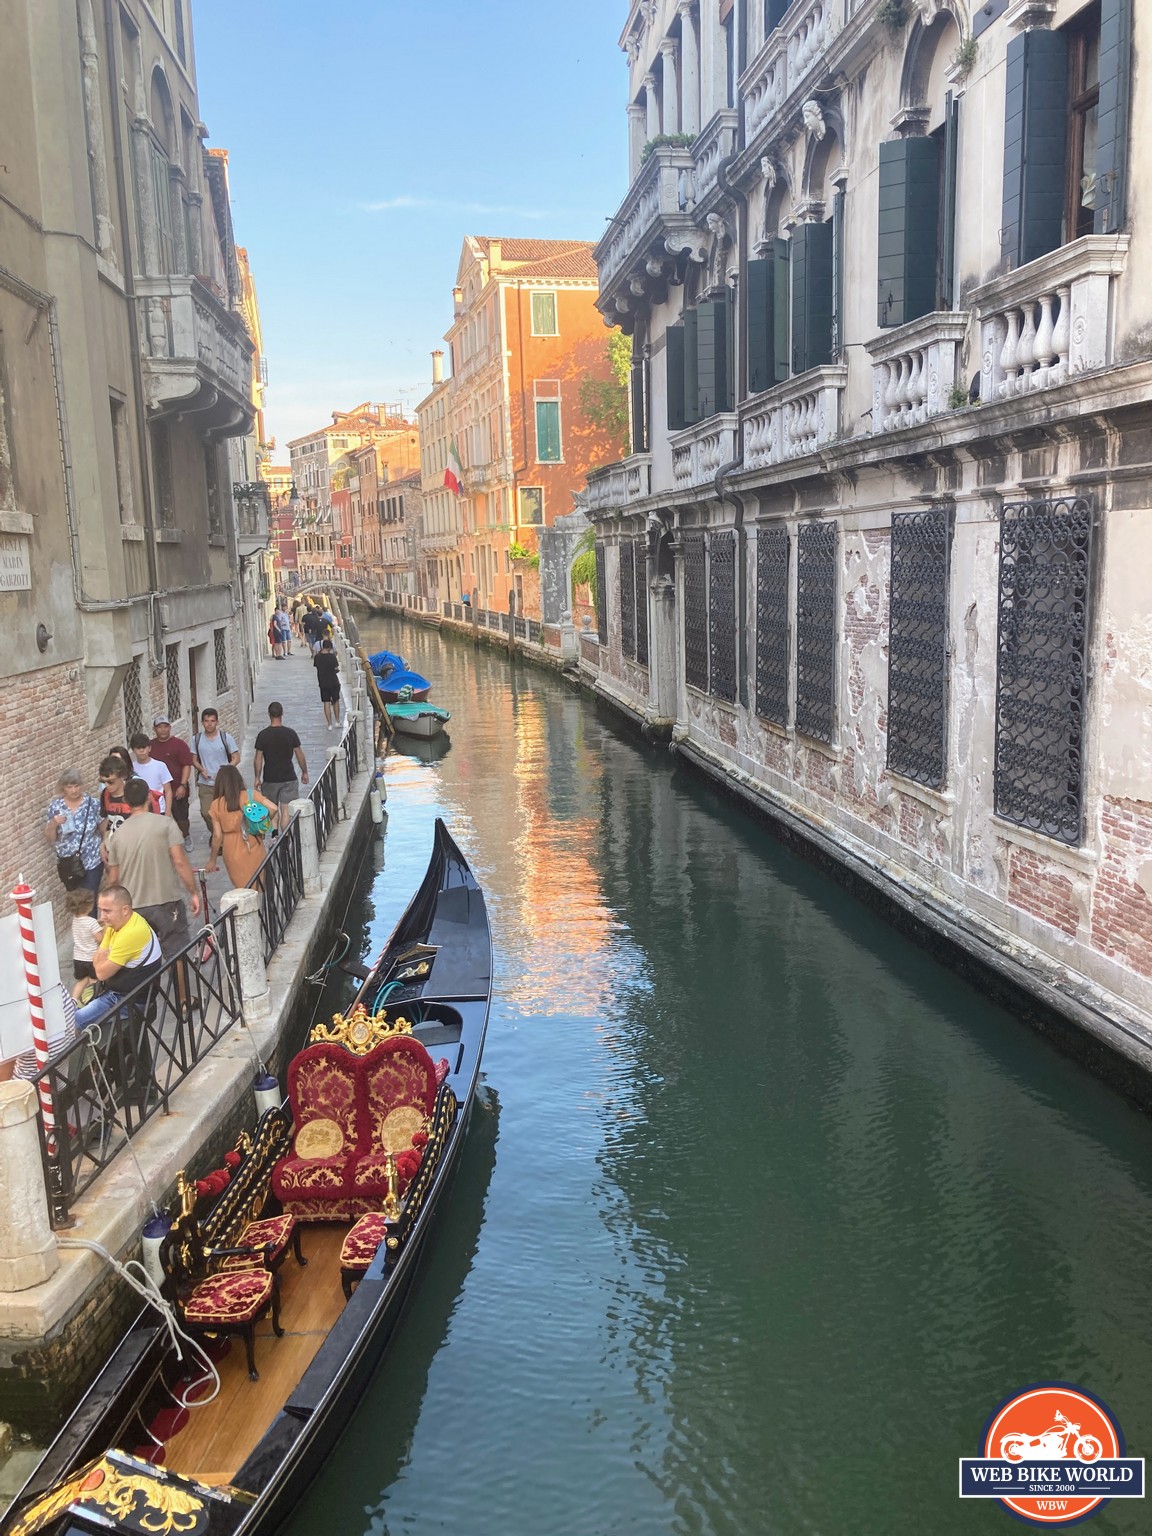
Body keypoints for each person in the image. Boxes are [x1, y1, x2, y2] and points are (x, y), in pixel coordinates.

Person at [105, 778, 201, 958]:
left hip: (134, 906)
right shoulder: (165, 825)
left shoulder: (117, 836)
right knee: (177, 954)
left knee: (143, 957)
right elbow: (180, 861)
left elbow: (113, 878)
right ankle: (181, 987)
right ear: (149, 797)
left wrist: (110, 908)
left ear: (126, 802)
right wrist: (193, 892)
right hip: (166, 901)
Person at [73, 885, 163, 1031]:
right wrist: (102, 957)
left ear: (125, 910)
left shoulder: (130, 934)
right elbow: (98, 958)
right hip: (121, 993)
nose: (102, 917)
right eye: (100, 909)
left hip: (129, 1001)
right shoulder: (117, 924)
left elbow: (100, 974)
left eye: (107, 911)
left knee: (73, 1023)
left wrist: (102, 957)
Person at [205, 765, 278, 889]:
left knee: (242, 888)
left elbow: (217, 836)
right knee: (259, 885)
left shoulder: (216, 805)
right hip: (253, 843)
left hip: (232, 849)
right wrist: (261, 823)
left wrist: (212, 860)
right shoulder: (250, 795)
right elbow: (274, 808)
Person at [43, 769, 103, 902]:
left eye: (76, 786)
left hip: (91, 860)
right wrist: (54, 823)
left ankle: (90, 923)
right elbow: (50, 838)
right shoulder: (56, 806)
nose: (74, 790)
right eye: (69, 787)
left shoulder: (92, 804)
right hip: (68, 863)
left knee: (90, 901)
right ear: (63, 788)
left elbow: (103, 828)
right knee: (76, 903)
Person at [253, 701, 309, 829]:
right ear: (282, 714)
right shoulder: (290, 734)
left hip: (270, 778)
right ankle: (286, 837)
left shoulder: (263, 735)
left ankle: (274, 838)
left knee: (273, 810)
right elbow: (299, 755)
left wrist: (257, 777)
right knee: (285, 810)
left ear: (269, 715)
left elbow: (258, 759)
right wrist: (304, 772)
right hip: (288, 777)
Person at [190, 709, 239, 832]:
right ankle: (217, 834)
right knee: (206, 813)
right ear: (202, 722)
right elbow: (194, 760)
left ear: (217, 721)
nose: (209, 724)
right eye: (206, 721)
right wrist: (201, 769)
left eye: (212, 721)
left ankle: (222, 838)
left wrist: (224, 772)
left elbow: (236, 758)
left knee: (225, 812)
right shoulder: (196, 739)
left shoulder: (225, 737)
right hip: (205, 783)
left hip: (224, 783)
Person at [149, 715, 194, 851]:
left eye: (165, 726)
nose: (163, 730)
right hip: (157, 792)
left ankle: (186, 835)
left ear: (169, 727)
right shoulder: (150, 746)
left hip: (176, 789)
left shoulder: (179, 745)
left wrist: (183, 785)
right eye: (159, 727)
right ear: (154, 729)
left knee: (181, 817)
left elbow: (186, 765)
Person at [98, 754, 136, 855]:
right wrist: (104, 844)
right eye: (103, 781)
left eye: (111, 782)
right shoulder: (105, 794)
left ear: (122, 776)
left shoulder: (134, 793)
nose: (106, 785)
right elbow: (107, 821)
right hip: (114, 851)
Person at [129, 734, 173, 816]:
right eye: (138, 748)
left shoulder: (160, 766)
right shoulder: (131, 768)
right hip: (139, 811)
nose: (142, 751)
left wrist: (168, 811)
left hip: (159, 809)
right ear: (133, 750)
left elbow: (168, 790)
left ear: (149, 748)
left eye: (144, 747)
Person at [66, 885, 103, 982]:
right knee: (93, 981)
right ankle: (92, 997)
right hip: (91, 958)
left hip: (78, 958)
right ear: (89, 906)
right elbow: (100, 939)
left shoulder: (75, 920)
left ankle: (75, 997)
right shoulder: (92, 922)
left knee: (81, 981)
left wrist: (98, 923)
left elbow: (85, 928)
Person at [313, 638, 343, 730]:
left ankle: (329, 724)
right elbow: (336, 668)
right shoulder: (332, 657)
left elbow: (317, 666)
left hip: (323, 683)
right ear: (329, 647)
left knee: (326, 702)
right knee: (336, 701)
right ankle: (337, 721)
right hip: (333, 682)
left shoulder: (317, 657)